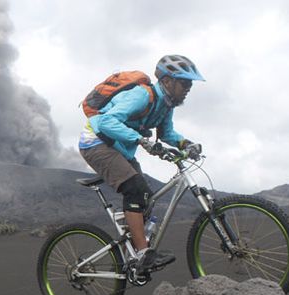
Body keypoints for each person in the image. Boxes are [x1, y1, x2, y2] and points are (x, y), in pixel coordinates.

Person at [78, 54, 204, 275]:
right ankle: (143, 254)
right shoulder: (141, 96)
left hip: (118, 149)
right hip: (95, 142)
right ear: (166, 81)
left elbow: (166, 133)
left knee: (145, 197)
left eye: (190, 84)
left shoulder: (166, 105)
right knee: (135, 190)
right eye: (184, 82)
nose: (188, 88)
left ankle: (133, 242)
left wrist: (185, 143)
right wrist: (141, 140)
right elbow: (107, 121)